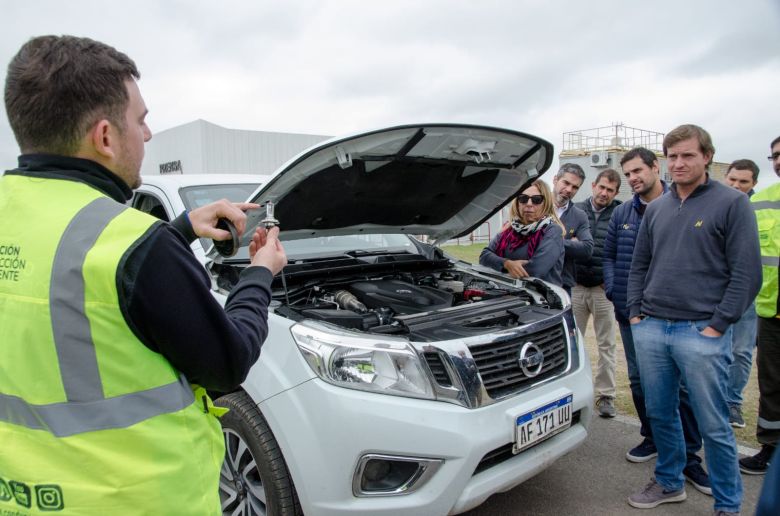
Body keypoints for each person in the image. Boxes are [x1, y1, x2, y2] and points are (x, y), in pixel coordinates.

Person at [0, 35, 287, 515]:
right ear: (106, 137)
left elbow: (73, 286)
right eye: (142, 119)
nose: (149, 134)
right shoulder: (136, 244)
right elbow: (227, 364)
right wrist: (260, 273)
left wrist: (178, 231)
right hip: (137, 499)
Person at [626, 125, 761, 514]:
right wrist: (636, 314)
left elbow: (747, 273)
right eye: (672, 156)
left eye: (687, 155)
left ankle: (728, 503)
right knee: (661, 412)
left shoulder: (732, 203)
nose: (679, 163)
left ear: (707, 157)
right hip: (652, 327)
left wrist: (718, 324)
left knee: (714, 424)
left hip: (701, 331)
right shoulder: (657, 208)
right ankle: (669, 482)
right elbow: (640, 265)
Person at [603, 147, 710, 495]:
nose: (634, 178)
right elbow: (609, 256)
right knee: (639, 382)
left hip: (671, 316)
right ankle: (652, 438)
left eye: (638, 171)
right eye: (628, 173)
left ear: (655, 168)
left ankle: (690, 458)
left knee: (679, 390)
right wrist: (614, 290)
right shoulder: (622, 212)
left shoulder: (680, 207)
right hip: (631, 316)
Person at [739, 137, 780, 475]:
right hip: (770, 311)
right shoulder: (762, 201)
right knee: (771, 385)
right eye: (776, 156)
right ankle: (769, 448)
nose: (779, 161)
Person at [573, 168, 622, 418]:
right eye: (601, 187)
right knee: (573, 343)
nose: (604, 193)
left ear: (616, 192)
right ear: (593, 185)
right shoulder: (576, 210)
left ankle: (606, 396)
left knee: (606, 345)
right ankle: (574, 392)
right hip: (577, 288)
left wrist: (611, 280)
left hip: (603, 290)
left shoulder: (621, 212)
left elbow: (624, 250)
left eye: (610, 190)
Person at [722, 159, 760, 429]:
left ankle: (732, 402)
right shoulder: (717, 206)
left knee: (742, 352)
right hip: (717, 291)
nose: (736, 185)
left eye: (743, 181)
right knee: (713, 350)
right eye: (732, 179)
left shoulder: (758, 209)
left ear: (753, 184)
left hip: (750, 294)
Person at [479, 180, 565, 284]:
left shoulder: (552, 230)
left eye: (536, 200)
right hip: (510, 293)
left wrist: (498, 264)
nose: (529, 204)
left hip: (542, 296)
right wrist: (507, 264)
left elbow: (536, 270)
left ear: (545, 203)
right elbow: (484, 256)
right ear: (517, 202)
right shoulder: (509, 229)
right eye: (523, 198)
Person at [552, 164, 593, 295]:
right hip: (533, 281)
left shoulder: (579, 215)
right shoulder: (534, 206)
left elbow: (587, 249)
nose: (569, 190)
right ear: (555, 180)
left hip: (563, 287)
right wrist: (571, 243)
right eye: (566, 183)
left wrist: (547, 241)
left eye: (575, 187)